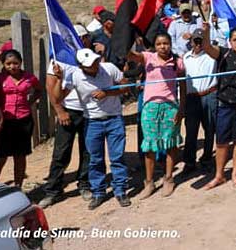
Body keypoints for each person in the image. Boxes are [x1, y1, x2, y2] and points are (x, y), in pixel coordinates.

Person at [53, 49, 131, 210]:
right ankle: (98, 192)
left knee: (117, 156)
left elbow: (126, 87)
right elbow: (58, 97)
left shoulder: (109, 68)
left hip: (114, 118)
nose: (95, 66)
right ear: (82, 67)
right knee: (95, 159)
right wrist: (59, 79)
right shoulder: (74, 76)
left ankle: (120, 190)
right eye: (90, 65)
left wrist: (107, 93)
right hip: (92, 121)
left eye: (95, 62)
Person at [39, 26, 93, 208]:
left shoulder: (91, 57)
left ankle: (84, 184)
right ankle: (53, 190)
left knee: (88, 150)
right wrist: (59, 110)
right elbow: (50, 88)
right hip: (69, 110)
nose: (81, 40)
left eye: (84, 37)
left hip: (90, 111)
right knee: (61, 152)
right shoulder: (60, 60)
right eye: (78, 37)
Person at [127, 33, 186, 199]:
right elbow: (130, 55)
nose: (163, 47)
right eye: (159, 44)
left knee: (170, 144)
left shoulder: (178, 62)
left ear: (170, 44)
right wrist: (124, 38)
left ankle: (169, 178)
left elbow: (183, 86)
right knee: (150, 146)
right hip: (150, 107)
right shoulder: (148, 58)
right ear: (155, 45)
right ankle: (149, 181)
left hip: (170, 107)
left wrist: (181, 109)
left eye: (166, 43)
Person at [202, 24, 236, 190]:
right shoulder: (223, 53)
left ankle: (235, 174)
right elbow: (207, 47)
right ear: (230, 41)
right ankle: (219, 175)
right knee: (221, 142)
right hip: (225, 104)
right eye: (235, 40)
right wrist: (206, 32)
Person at [0, 50, 41, 188]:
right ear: (3, 64)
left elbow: (39, 90)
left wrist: (30, 102)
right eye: (8, 64)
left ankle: (18, 186)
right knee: (1, 156)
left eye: (15, 63)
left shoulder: (29, 78)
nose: (12, 66)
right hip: (4, 121)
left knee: (20, 155)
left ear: (20, 63)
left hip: (24, 120)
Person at [182, 29, 218, 172]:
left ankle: (207, 158)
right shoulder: (185, 58)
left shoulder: (212, 56)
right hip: (192, 97)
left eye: (200, 41)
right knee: (191, 131)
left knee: (210, 129)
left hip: (209, 95)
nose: (198, 44)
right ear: (191, 42)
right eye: (195, 41)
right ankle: (189, 162)